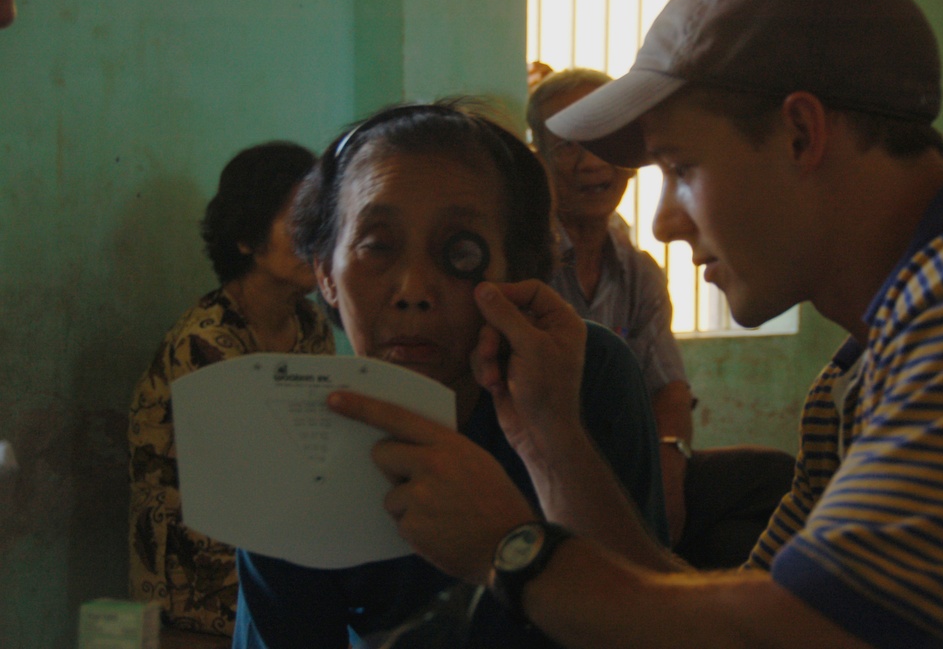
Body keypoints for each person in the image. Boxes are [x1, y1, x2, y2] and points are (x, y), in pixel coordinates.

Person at [319, 0, 943, 647]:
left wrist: (511, 548)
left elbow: (794, 636)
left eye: (679, 166)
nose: (665, 222)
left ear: (799, 133)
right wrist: (551, 433)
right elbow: (698, 621)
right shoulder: (858, 374)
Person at [231, 101, 669, 649]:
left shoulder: (584, 376)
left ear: (519, 267)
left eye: (459, 250)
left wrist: (558, 442)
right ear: (325, 274)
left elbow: (649, 618)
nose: (413, 289)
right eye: (376, 247)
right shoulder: (300, 432)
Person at [529, 67, 795, 567]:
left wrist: (669, 471)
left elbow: (669, 388)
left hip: (633, 462)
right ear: (537, 155)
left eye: (608, 143)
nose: (594, 163)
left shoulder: (637, 269)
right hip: (545, 462)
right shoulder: (524, 262)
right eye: (569, 145)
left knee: (772, 479)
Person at [128, 141, 337, 636]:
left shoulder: (309, 324)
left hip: (269, 558)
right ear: (246, 237)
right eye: (300, 222)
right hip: (196, 589)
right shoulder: (207, 341)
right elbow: (252, 480)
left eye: (323, 222)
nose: (319, 240)